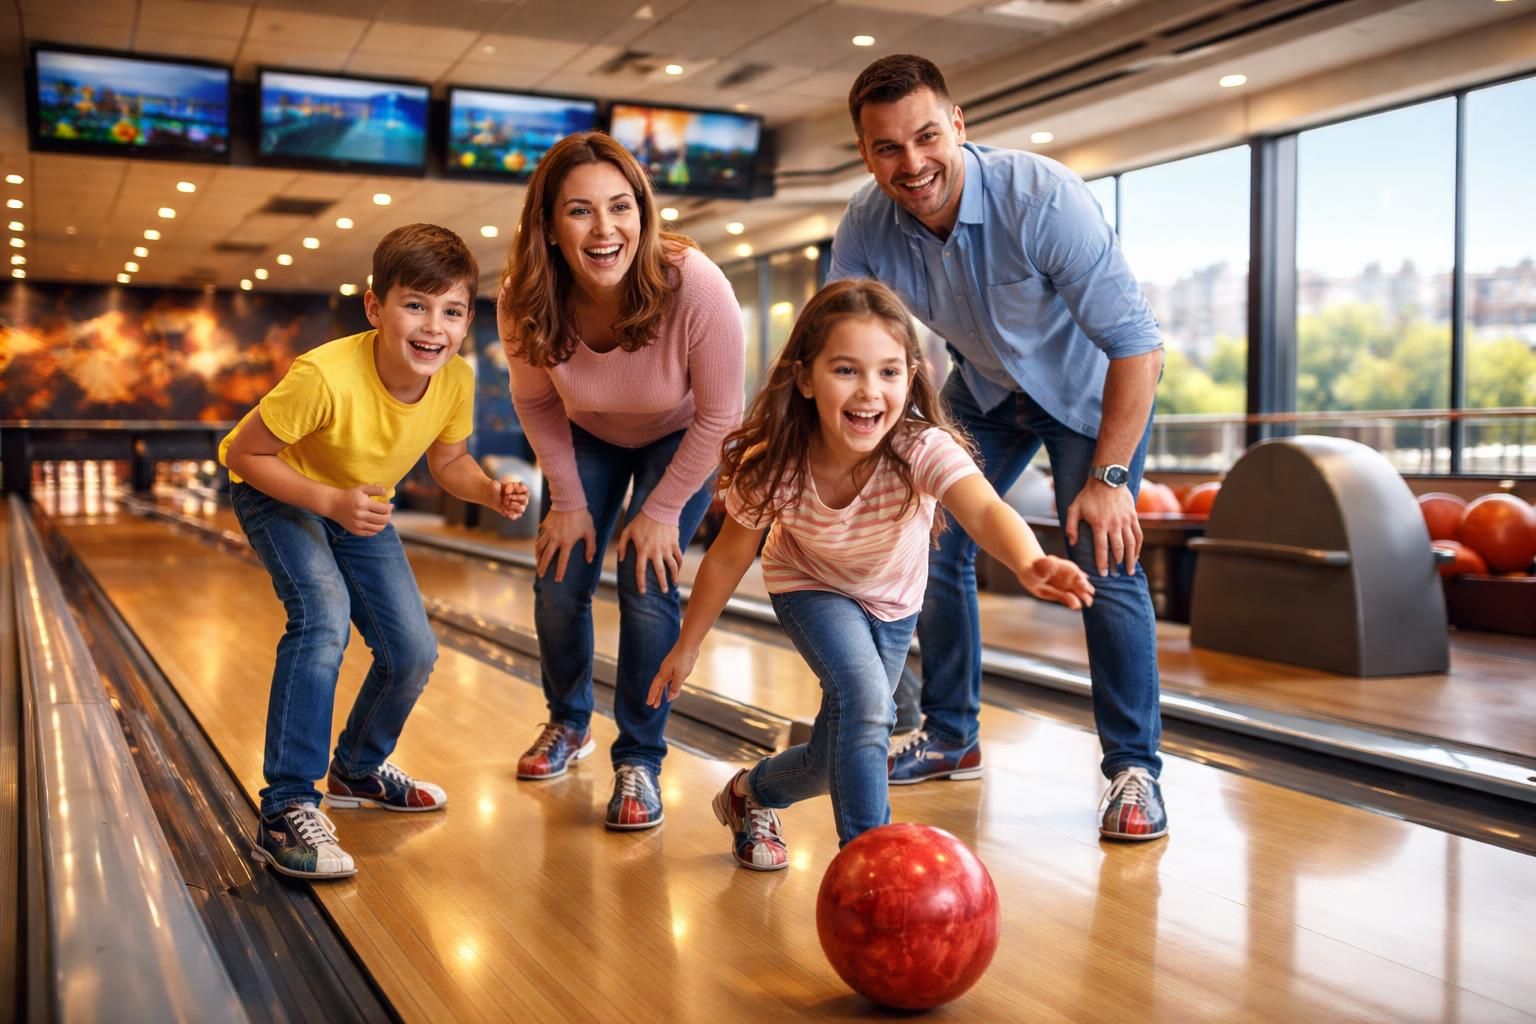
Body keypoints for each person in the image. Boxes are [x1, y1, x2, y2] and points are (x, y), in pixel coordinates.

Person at [830, 54, 1170, 841]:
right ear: (865, 155)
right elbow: (837, 339)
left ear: (958, 126)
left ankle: (1133, 772)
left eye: (924, 137)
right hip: (983, 394)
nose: (911, 164)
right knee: (935, 537)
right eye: (887, 149)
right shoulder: (867, 225)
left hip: (1092, 398)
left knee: (1104, 556)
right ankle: (952, 735)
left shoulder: (1041, 199)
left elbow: (1137, 348)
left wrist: (1111, 479)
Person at [646, 280, 1093, 868]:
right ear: (806, 379)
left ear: (910, 377)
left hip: (892, 602)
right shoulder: (776, 462)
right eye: (846, 370)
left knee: (835, 756)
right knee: (867, 703)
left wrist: (1030, 560)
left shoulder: (921, 449)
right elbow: (730, 555)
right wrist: (688, 643)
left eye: (888, 372)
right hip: (808, 585)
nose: (869, 391)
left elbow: (985, 508)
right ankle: (869, 864)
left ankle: (748, 795)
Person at [222, 222, 530, 880]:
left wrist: (487, 490)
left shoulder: (455, 380)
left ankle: (358, 769)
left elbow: (449, 462)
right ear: (375, 307)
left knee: (412, 651)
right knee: (323, 617)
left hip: (358, 505)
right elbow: (241, 455)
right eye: (415, 305)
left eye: (451, 311)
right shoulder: (323, 375)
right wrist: (330, 502)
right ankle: (286, 804)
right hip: (282, 494)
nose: (433, 327)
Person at [498, 132, 745, 830]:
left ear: (643, 211)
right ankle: (568, 723)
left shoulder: (692, 283)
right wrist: (569, 501)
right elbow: (536, 400)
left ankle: (640, 756)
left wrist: (663, 511)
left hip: (685, 433)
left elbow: (725, 412)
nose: (605, 230)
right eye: (580, 211)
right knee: (559, 577)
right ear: (548, 226)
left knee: (647, 578)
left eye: (620, 207)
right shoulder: (523, 295)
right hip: (588, 433)